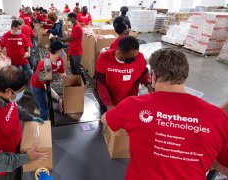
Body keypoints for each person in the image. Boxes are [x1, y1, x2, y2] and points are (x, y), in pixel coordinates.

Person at [101, 49, 228, 179]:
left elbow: (106, 119)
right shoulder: (218, 117)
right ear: (184, 76)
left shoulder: (133, 105)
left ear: (154, 76)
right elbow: (225, 168)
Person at [0, 66, 48, 179]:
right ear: (8, 91)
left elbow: (13, 108)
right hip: (3, 171)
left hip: (14, 154)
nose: (21, 94)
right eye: (20, 91)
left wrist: (29, 117)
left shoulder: (2, 96)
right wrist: (26, 158)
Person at [96, 36, 152, 111]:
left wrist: (148, 85)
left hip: (129, 101)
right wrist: (108, 104)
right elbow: (100, 83)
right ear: (119, 52)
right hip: (109, 102)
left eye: (135, 56)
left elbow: (144, 73)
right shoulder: (104, 58)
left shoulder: (139, 57)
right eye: (130, 58)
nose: (134, 60)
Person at [30, 41, 66, 119]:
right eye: (62, 50)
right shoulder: (45, 64)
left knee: (41, 100)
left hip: (44, 84)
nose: (63, 52)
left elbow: (63, 75)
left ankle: (37, 108)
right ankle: (44, 125)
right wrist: (58, 98)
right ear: (58, 51)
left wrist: (68, 87)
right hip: (37, 87)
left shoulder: (59, 60)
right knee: (45, 109)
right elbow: (47, 87)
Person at [54, 13, 89, 86]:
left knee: (78, 67)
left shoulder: (77, 27)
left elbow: (70, 39)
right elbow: (71, 38)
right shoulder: (74, 26)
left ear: (73, 18)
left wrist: (59, 38)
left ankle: (85, 81)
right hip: (72, 49)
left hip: (77, 51)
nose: (68, 20)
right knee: (73, 67)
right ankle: (77, 81)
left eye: (69, 18)